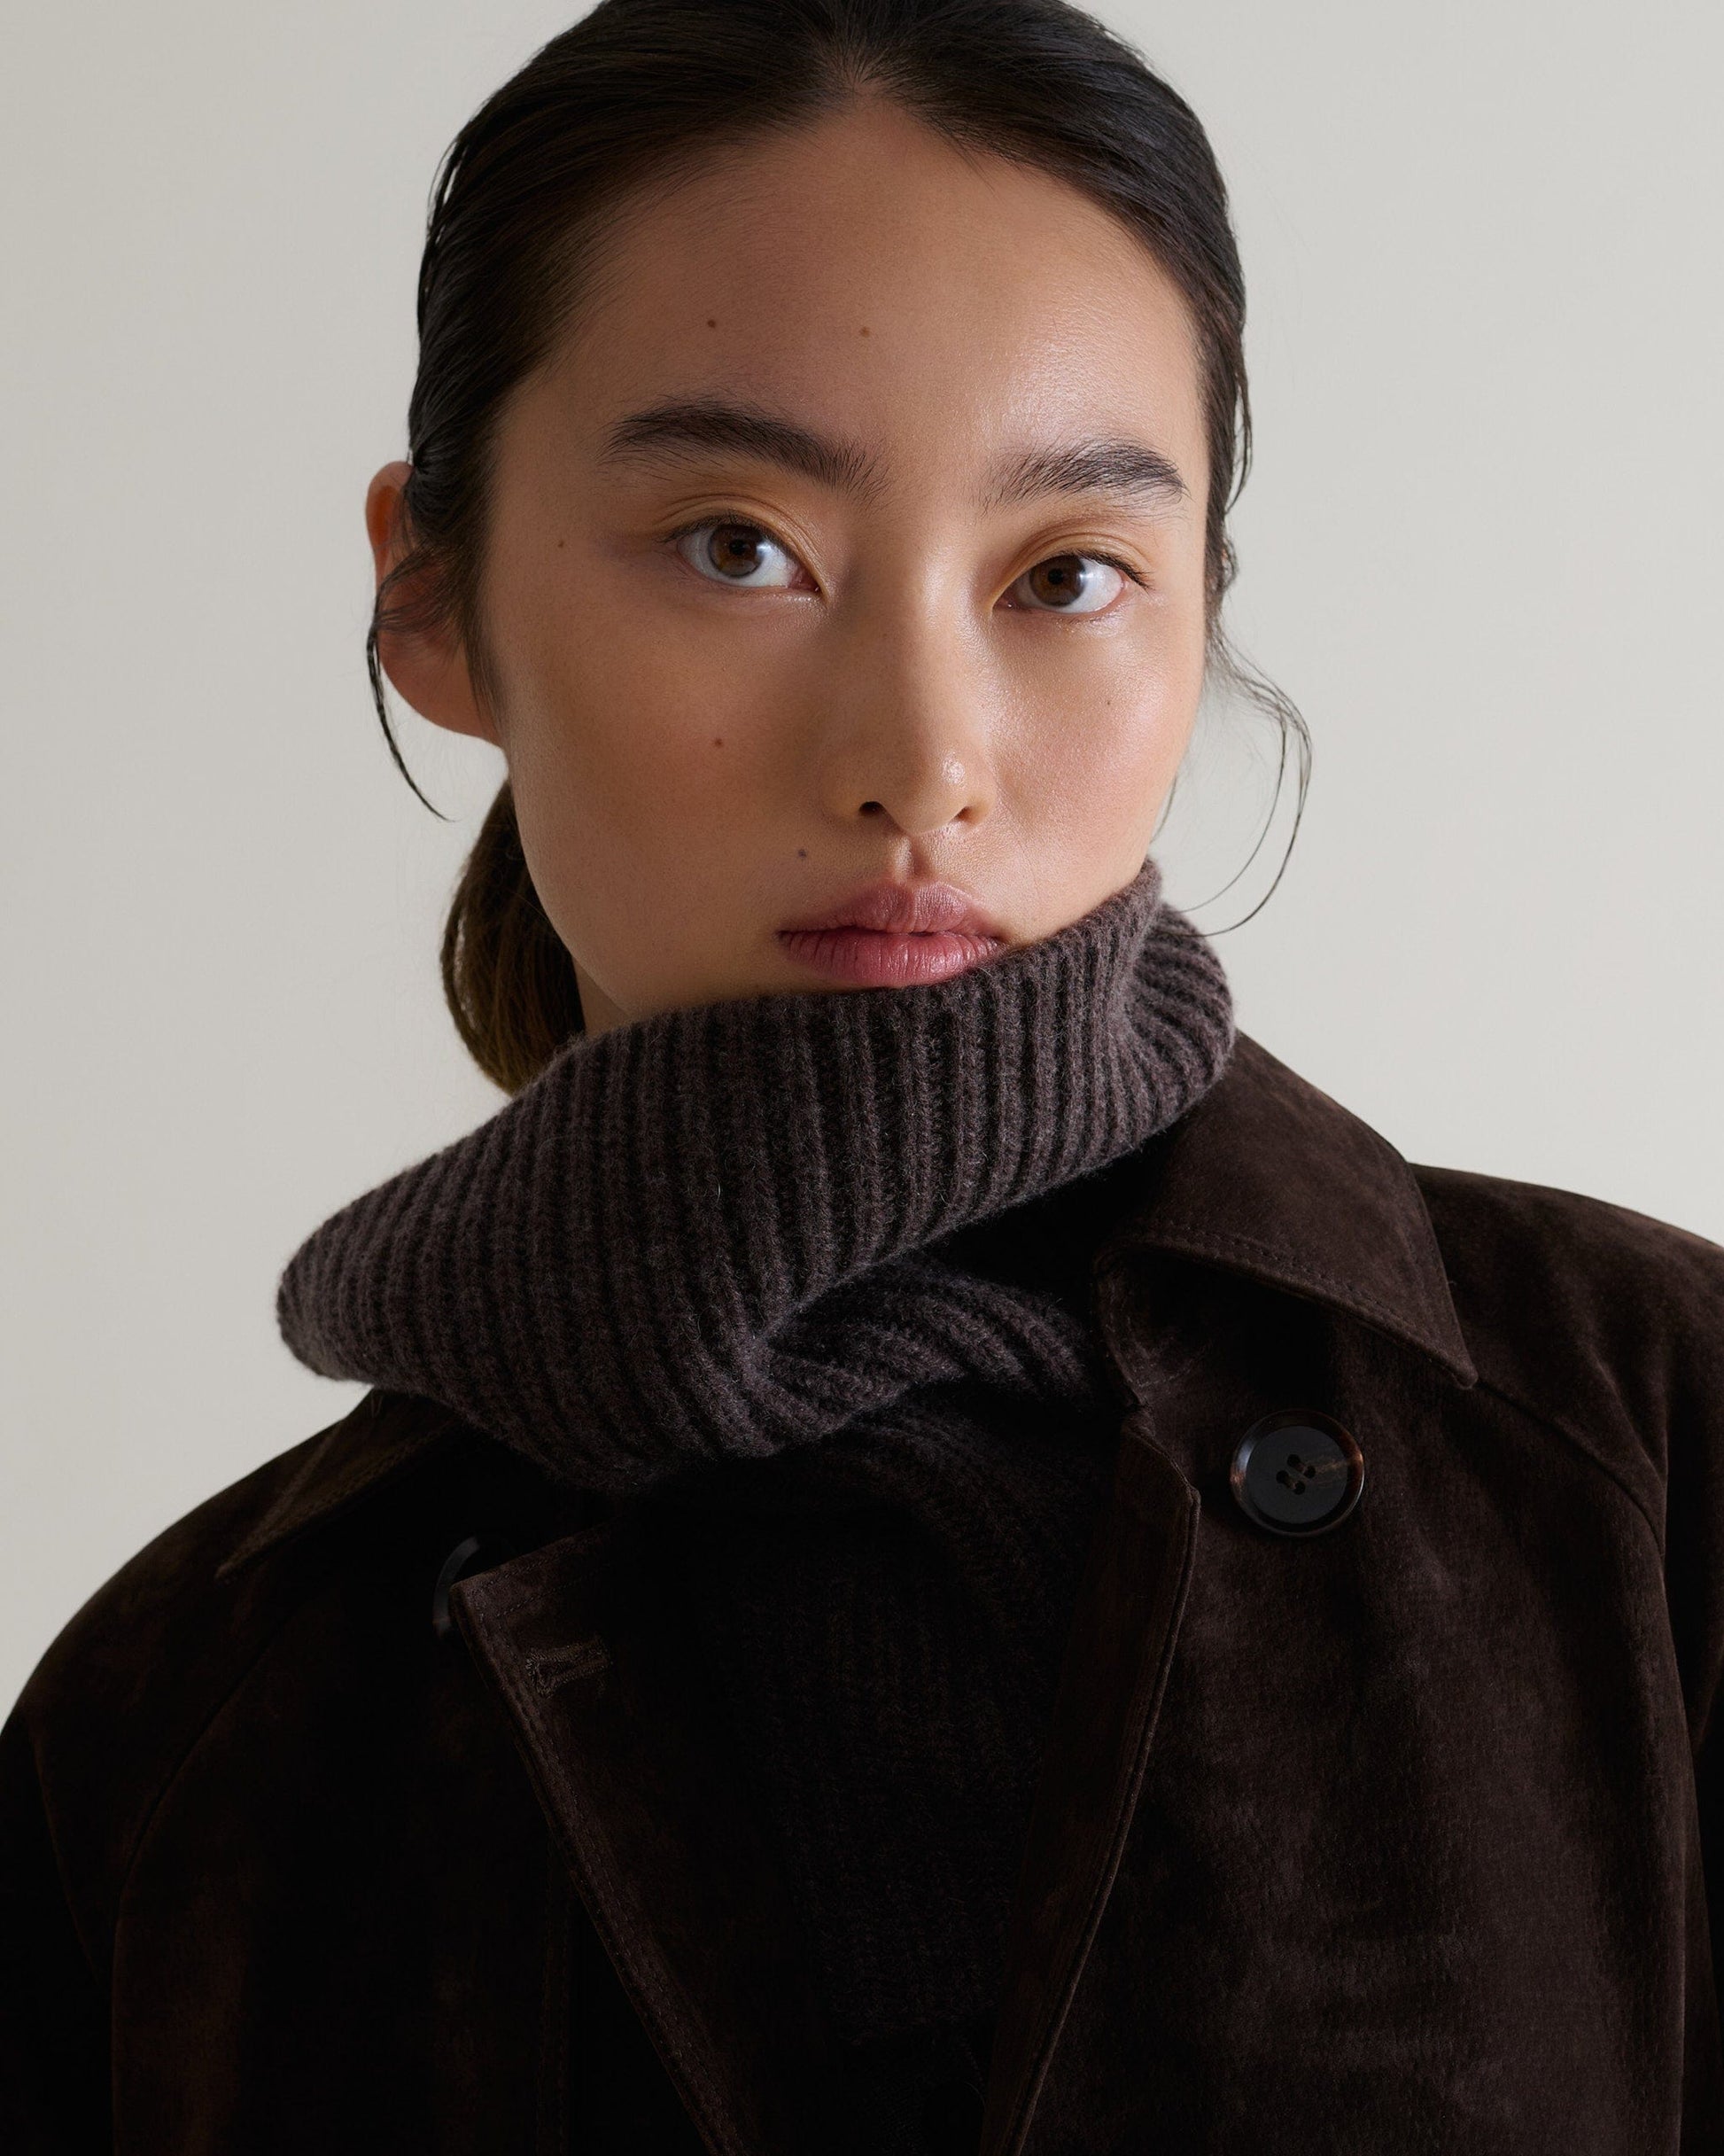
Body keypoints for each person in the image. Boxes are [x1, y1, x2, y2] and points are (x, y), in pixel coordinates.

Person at [4, 1, 1720, 2150]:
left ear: (1198, 616)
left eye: (1066, 574)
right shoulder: (178, 1729)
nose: (921, 758)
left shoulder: (1644, 1443)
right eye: (739, 545)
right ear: (431, 594)